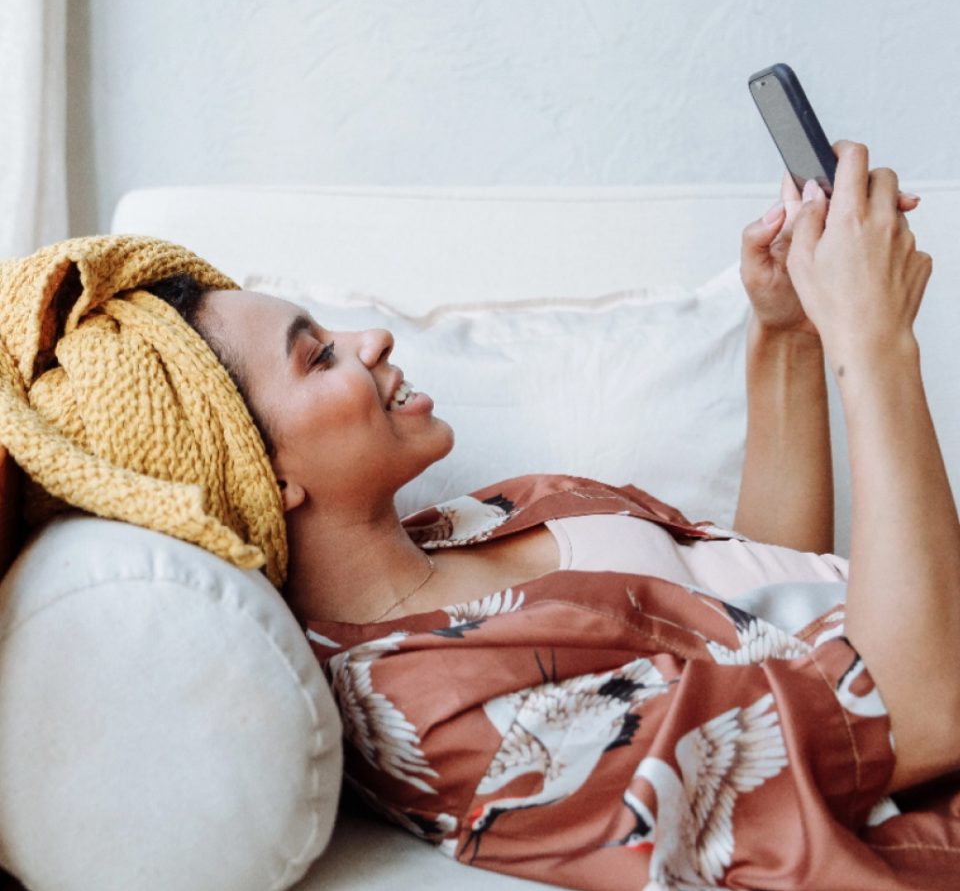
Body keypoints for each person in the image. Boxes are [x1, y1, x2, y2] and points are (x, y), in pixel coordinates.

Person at [0, 140, 958, 889]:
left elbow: (766, 582)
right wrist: (873, 343)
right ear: (263, 474)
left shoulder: (472, 520)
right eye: (318, 357)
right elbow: (917, 716)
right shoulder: (442, 710)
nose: (367, 341)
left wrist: (784, 333)